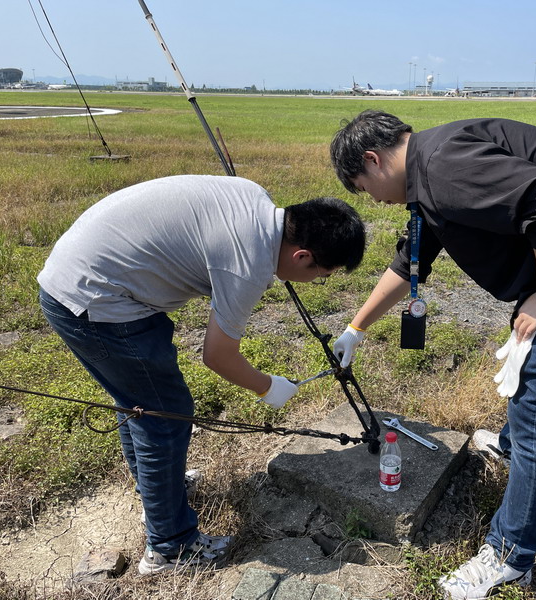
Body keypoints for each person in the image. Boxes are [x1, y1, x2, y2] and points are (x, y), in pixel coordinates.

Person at [329, 110, 536, 599]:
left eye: (364, 188)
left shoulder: (444, 166)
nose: (376, 202)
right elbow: (412, 260)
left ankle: (511, 556)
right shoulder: (429, 171)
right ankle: (513, 447)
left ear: (373, 159)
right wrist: (355, 328)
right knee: (531, 360)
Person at [37, 174, 365, 575]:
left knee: (138, 402)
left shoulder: (256, 198)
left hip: (80, 270)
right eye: (322, 274)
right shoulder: (248, 264)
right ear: (301, 256)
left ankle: (157, 492)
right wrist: (268, 387)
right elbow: (218, 355)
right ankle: (169, 547)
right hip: (95, 298)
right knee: (164, 414)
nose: (318, 282)